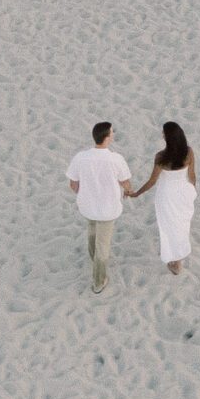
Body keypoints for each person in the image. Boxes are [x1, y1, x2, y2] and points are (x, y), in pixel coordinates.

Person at [68, 121, 132, 293]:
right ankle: (99, 281)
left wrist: (83, 194)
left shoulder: (80, 157)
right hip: (108, 208)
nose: (113, 134)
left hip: (88, 206)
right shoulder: (115, 159)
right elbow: (125, 182)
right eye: (111, 132)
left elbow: (73, 184)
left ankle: (93, 258)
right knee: (103, 244)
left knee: (92, 231)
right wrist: (127, 191)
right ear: (107, 137)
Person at [129, 122, 197, 275]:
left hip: (167, 195)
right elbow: (192, 175)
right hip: (184, 191)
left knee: (168, 226)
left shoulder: (161, 157)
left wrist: (137, 193)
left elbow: (152, 181)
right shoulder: (189, 152)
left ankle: (175, 262)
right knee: (181, 224)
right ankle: (178, 259)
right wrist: (193, 191)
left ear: (167, 138)